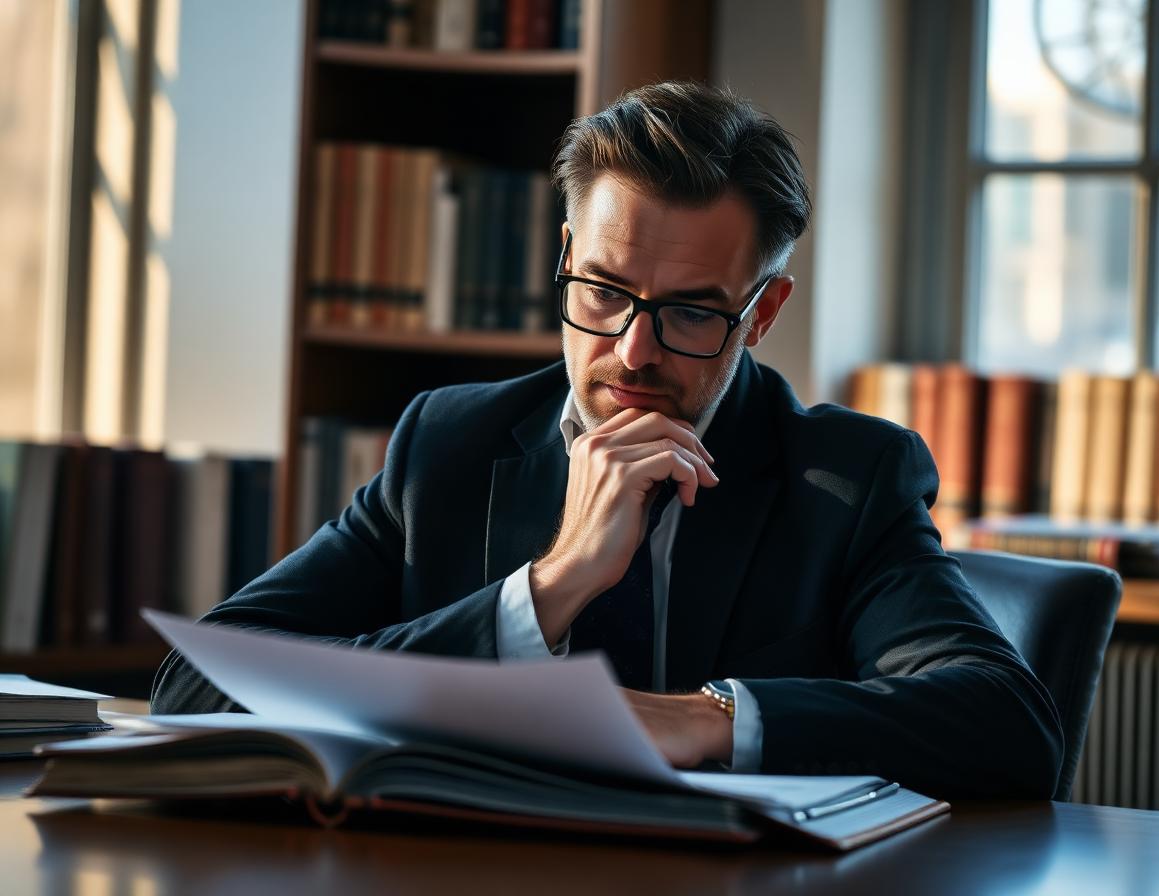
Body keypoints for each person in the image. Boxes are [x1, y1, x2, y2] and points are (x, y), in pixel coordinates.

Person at [153, 81, 1063, 799]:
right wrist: (544, 592)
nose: (632, 350)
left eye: (691, 312)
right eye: (602, 292)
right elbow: (198, 682)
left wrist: (708, 719)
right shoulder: (450, 445)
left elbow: (1008, 724)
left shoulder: (845, 478)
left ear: (764, 312)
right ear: (564, 257)